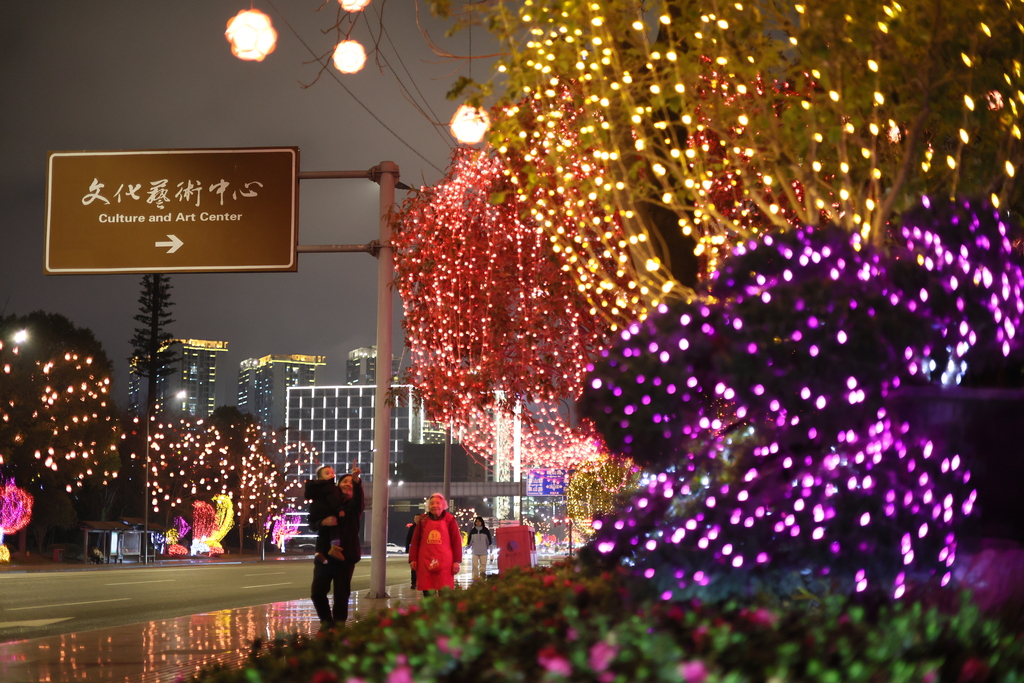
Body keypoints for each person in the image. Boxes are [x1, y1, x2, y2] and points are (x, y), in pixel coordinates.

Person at [309, 467, 363, 633]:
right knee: (317, 593)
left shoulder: (352, 507)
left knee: (341, 595)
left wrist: (357, 481)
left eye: (350, 483)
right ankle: (327, 623)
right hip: (324, 554)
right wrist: (323, 522)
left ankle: (338, 628)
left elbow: (359, 501)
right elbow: (312, 523)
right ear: (337, 485)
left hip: (345, 556)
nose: (347, 485)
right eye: (344, 482)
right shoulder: (327, 503)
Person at [408, 493, 462, 595]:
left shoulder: (450, 520)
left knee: (444, 594)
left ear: (443, 505)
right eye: (432, 503)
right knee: (428, 594)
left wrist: (457, 561)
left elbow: (456, 542)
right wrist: (413, 559)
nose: (435, 506)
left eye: (438, 503)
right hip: (425, 562)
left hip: (445, 564)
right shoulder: (423, 520)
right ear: (428, 506)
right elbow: (415, 541)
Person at [304, 466, 346, 564]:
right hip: (327, 511)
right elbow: (333, 499)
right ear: (320, 478)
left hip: (316, 511)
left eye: (332, 473)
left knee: (323, 532)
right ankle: (335, 547)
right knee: (334, 527)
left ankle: (319, 552)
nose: (331, 475)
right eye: (327, 473)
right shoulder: (330, 488)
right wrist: (339, 508)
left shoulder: (316, 488)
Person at [404, 514, 423, 590]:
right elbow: (408, 538)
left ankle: (421, 582)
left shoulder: (424, 527)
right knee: (414, 567)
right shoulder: (412, 528)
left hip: (422, 550)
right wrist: (407, 549)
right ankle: (413, 583)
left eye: (418, 518)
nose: (416, 519)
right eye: (415, 518)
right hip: (414, 549)